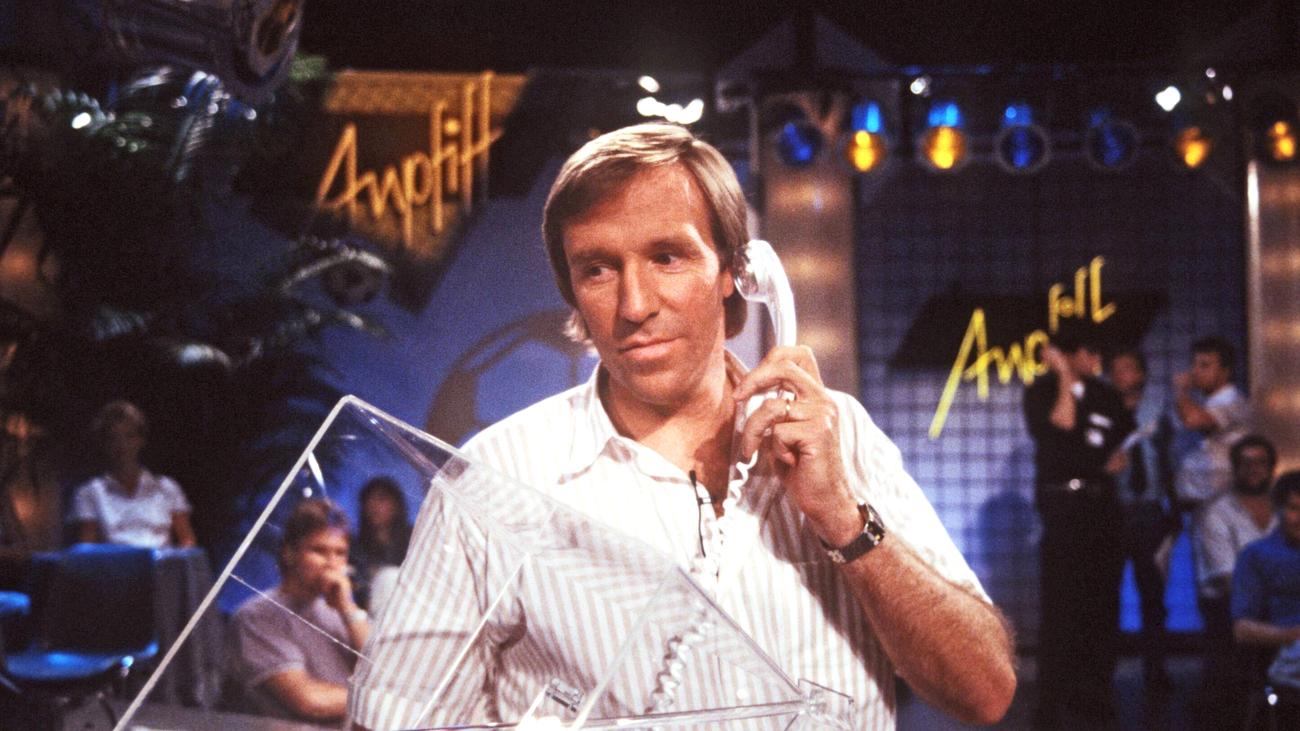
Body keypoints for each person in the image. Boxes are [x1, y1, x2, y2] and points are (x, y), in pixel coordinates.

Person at [348, 124, 1016, 730]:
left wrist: (843, 516)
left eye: (667, 256)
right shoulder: (495, 476)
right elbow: (386, 719)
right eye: (598, 269)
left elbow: (984, 692)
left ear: (736, 272)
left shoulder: (843, 435)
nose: (634, 304)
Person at [1022, 329, 1134, 727]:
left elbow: (1120, 443)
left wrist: (1100, 461)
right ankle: (1051, 703)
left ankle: (1097, 695)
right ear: (1068, 354)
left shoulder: (1105, 395)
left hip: (1102, 509)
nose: (1097, 359)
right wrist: (1064, 376)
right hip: (1062, 512)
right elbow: (1062, 423)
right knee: (1061, 608)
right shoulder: (1040, 392)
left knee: (1102, 606)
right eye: (1090, 351)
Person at [230, 498, 372, 724]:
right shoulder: (256, 616)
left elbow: (384, 671)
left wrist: (348, 608)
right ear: (289, 553)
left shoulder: (341, 611)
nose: (332, 563)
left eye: (340, 553)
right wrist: (380, 699)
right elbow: (310, 701)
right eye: (319, 551)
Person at [1193, 434, 1278, 728]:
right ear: (1234, 468)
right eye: (1245, 463)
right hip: (1229, 609)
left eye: (1261, 463)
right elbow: (1228, 579)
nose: (1253, 469)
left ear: (1271, 468)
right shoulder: (1216, 512)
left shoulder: (1287, 511)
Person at [1107, 347, 1176, 691]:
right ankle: (1104, 673)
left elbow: (1170, 459)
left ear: (1142, 374)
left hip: (1150, 510)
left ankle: (1156, 669)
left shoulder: (1158, 411)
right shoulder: (1101, 412)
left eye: (1129, 368)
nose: (1123, 375)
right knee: (1107, 596)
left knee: (1154, 595)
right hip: (1112, 511)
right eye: (1117, 369)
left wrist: (1173, 511)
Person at [69, 400, 196, 548]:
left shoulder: (167, 488)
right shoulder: (89, 492)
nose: (122, 445)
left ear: (140, 440)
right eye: (113, 438)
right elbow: (87, 549)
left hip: (161, 561)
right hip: (115, 562)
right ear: (104, 443)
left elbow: (187, 542)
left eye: (129, 436)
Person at [1233, 470, 1300, 726]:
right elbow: (1243, 630)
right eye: (1294, 508)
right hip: (1288, 652)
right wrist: (1292, 635)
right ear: (1278, 510)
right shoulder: (1257, 555)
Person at [1173, 336, 1252, 512]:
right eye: (1193, 364)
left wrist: (1181, 391)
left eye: (1204, 365)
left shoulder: (1233, 401)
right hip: (1200, 503)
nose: (1195, 372)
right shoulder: (1210, 403)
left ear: (1225, 371)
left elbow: (1193, 420)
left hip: (1222, 504)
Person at [350, 476, 412, 613]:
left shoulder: (413, 539)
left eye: (381, 499)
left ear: (396, 504)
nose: (373, 505)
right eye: (368, 500)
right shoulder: (356, 548)